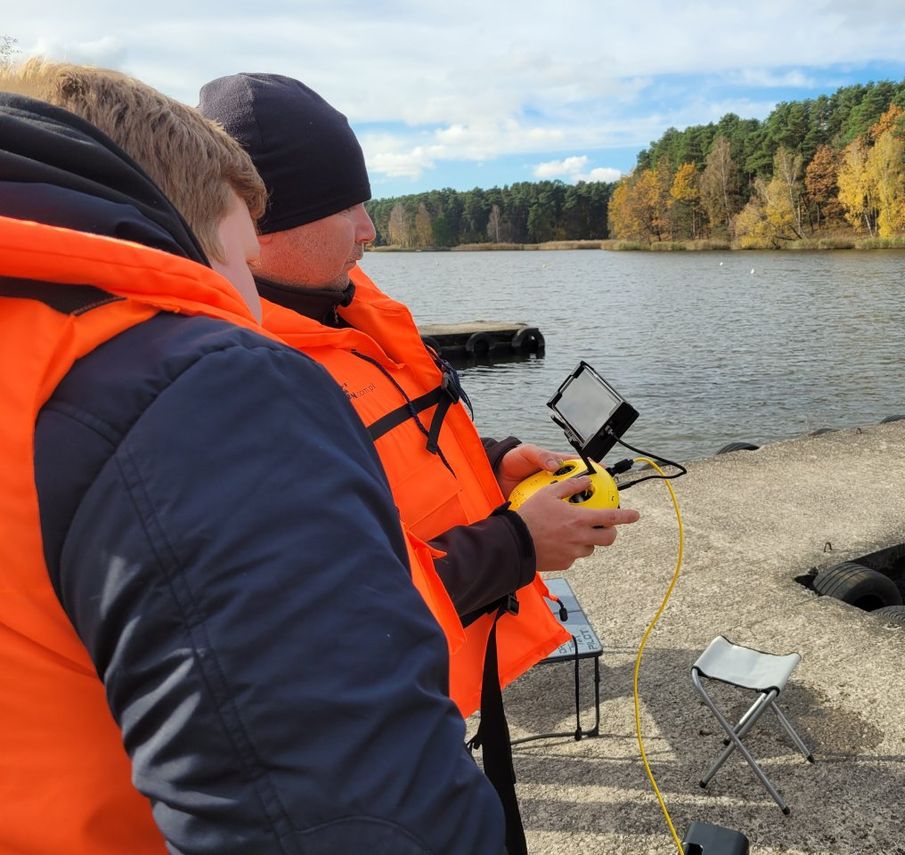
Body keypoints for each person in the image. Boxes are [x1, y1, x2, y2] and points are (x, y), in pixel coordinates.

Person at [0, 62, 504, 855]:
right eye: (237, 259)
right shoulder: (198, 387)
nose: (245, 304)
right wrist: (513, 547)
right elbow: (349, 818)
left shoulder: (29, 353)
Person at [200, 73, 640, 853]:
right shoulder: (238, 382)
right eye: (351, 206)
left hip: (441, 689)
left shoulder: (335, 303)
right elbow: (341, 611)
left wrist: (494, 459)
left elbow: (392, 440)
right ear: (263, 222)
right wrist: (519, 545)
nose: (370, 229)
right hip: (357, 746)